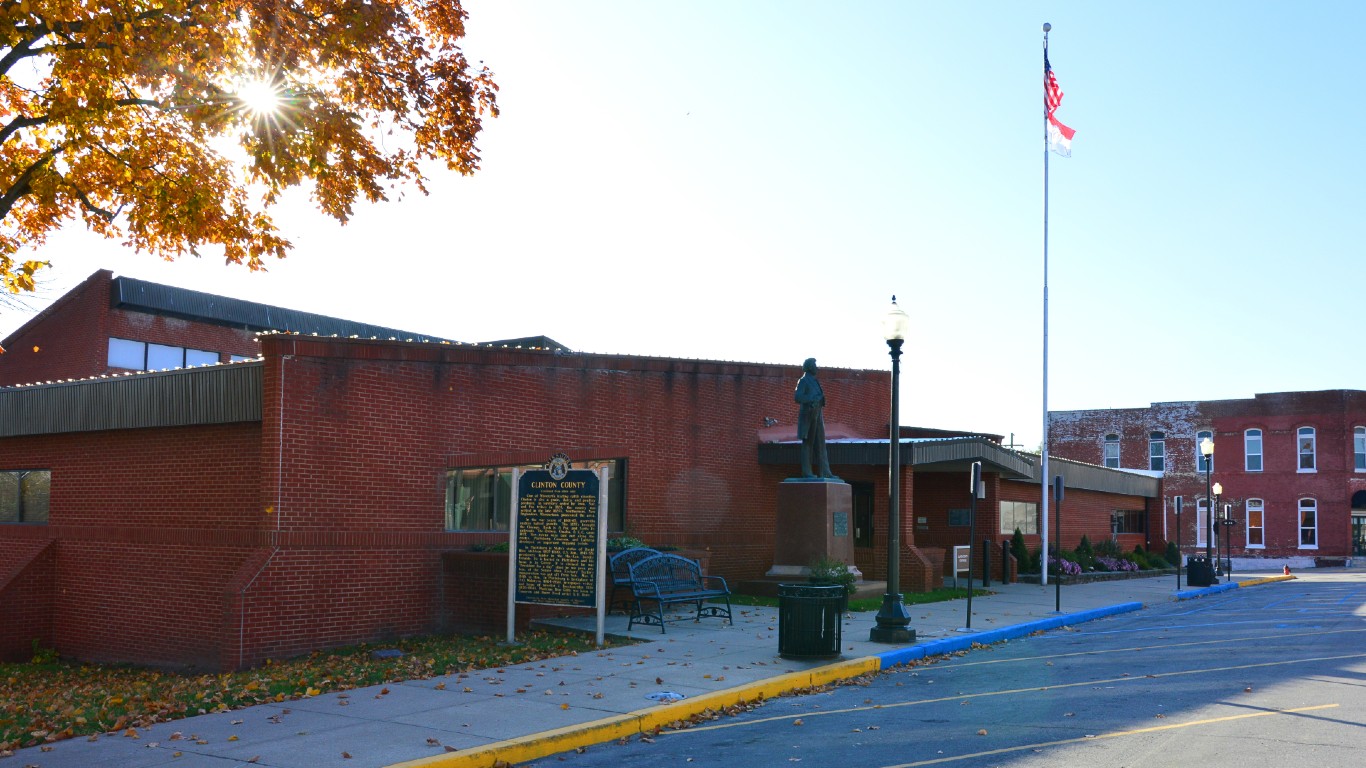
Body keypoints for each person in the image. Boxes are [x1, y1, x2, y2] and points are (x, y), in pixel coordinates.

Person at [795, 358, 835, 479]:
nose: (817, 368)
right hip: (808, 415)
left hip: (818, 414)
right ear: (809, 367)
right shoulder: (803, 381)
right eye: (815, 365)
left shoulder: (815, 381)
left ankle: (825, 472)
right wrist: (812, 398)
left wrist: (820, 399)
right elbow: (798, 397)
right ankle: (807, 472)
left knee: (821, 444)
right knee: (808, 443)